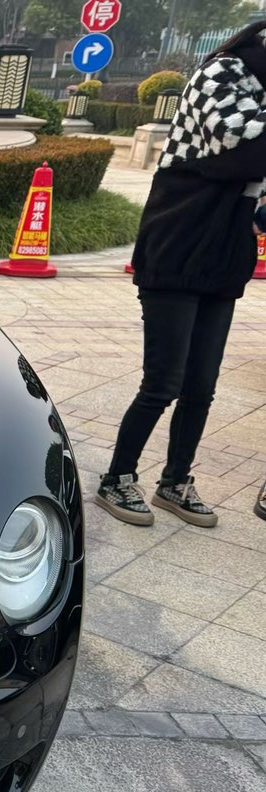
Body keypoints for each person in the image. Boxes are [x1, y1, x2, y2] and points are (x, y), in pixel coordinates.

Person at [97, 22, 266, 529]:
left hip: (224, 253)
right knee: (162, 381)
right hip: (178, 245)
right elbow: (241, 146)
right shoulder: (223, 72)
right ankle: (116, 479)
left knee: (201, 384)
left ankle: (175, 481)